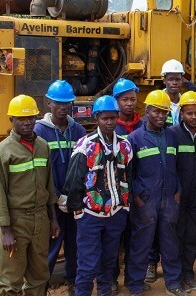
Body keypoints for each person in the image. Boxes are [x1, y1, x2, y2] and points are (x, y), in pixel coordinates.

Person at [0, 95, 60, 296]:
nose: (27, 122)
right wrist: (6, 230)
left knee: (39, 277)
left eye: (31, 118)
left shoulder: (43, 147)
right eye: (21, 118)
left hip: (40, 219)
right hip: (16, 221)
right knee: (9, 281)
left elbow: (49, 186)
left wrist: (53, 219)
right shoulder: (2, 152)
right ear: (11, 120)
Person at [62, 95, 133, 296]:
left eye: (112, 118)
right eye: (104, 118)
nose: (109, 122)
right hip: (90, 216)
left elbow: (129, 177)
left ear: (117, 117)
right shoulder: (85, 145)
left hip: (116, 215)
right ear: (97, 118)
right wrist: (79, 212)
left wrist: (125, 208)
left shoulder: (125, 146)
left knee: (109, 264)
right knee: (87, 265)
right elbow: (74, 181)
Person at [127, 90, 187, 296]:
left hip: (169, 198)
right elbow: (129, 173)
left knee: (171, 243)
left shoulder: (172, 135)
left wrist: (177, 191)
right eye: (156, 112)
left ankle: (173, 282)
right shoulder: (134, 138)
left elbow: (177, 166)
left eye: (164, 112)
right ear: (146, 111)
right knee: (140, 244)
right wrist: (137, 197)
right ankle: (135, 285)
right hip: (146, 200)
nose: (161, 116)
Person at [34, 81, 86, 295]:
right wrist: (55, 196)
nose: (63, 107)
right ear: (48, 103)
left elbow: (84, 166)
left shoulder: (79, 130)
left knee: (75, 244)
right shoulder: (39, 132)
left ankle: (73, 282)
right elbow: (40, 171)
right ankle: (42, 286)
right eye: (58, 103)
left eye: (67, 103)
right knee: (51, 246)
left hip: (74, 201)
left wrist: (74, 195)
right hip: (52, 203)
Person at [168, 91, 196, 291]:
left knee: (193, 235)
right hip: (178, 196)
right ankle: (177, 276)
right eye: (189, 113)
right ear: (182, 114)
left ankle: (187, 273)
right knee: (177, 236)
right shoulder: (173, 134)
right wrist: (175, 190)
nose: (193, 117)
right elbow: (170, 166)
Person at [111, 78, 143, 291]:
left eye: (133, 99)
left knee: (135, 240)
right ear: (117, 101)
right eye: (125, 99)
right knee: (113, 240)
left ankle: (133, 281)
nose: (130, 103)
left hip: (138, 193)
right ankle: (111, 279)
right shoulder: (112, 126)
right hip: (116, 193)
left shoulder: (143, 125)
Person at [161, 59, 186, 127]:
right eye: (170, 79)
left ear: (182, 80)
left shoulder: (185, 103)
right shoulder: (157, 102)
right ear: (164, 81)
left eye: (177, 79)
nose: (174, 83)